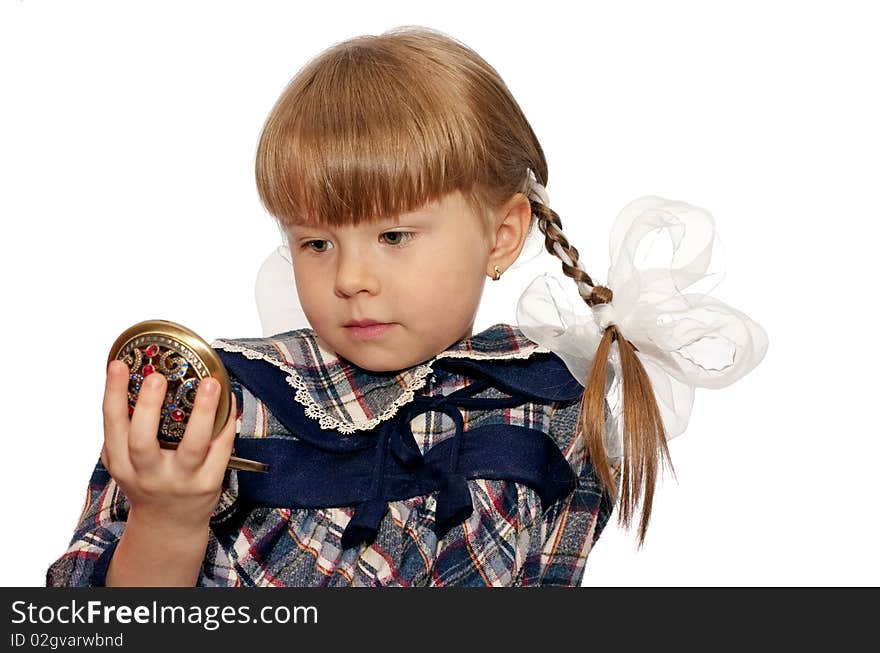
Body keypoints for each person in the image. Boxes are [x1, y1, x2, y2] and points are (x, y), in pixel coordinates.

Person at [46, 26, 767, 587]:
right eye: (316, 242)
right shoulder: (224, 403)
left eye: (393, 234)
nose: (352, 277)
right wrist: (168, 518)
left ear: (503, 233)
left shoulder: (553, 415)